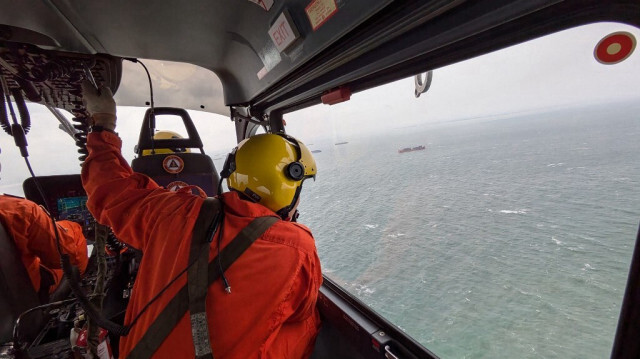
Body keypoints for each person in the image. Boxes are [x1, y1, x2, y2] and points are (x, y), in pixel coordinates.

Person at [80, 81, 322, 358]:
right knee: (306, 322)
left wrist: (103, 124)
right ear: (290, 184)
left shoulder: (170, 210)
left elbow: (108, 188)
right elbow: (302, 307)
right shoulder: (298, 248)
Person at [0, 193, 89, 298]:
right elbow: (61, 258)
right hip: (29, 294)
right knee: (74, 233)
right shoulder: (19, 209)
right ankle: (81, 287)